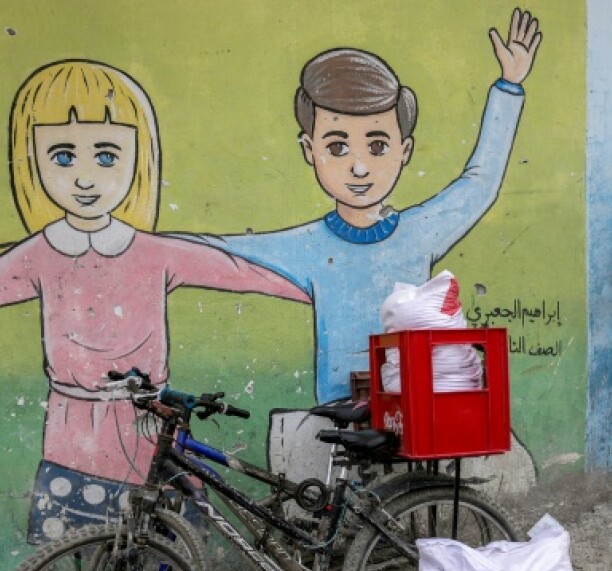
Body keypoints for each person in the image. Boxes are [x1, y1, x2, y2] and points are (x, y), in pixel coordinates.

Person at [0, 60, 310, 546]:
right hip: (71, 432)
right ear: (31, 162)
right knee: (77, 546)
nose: (85, 177)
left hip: (147, 424)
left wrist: (315, 290)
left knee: (166, 542)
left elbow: (240, 274)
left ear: (138, 158)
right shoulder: (41, 252)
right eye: (62, 156)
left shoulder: (155, 252)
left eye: (106, 156)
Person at [185, 8, 542, 404]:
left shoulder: (420, 232)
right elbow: (217, 248)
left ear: (404, 151)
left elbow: (479, 184)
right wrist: (134, 238)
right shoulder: (306, 247)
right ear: (310, 150)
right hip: (341, 414)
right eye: (337, 147)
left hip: (412, 403)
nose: (358, 166)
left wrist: (508, 87)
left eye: (378, 146)